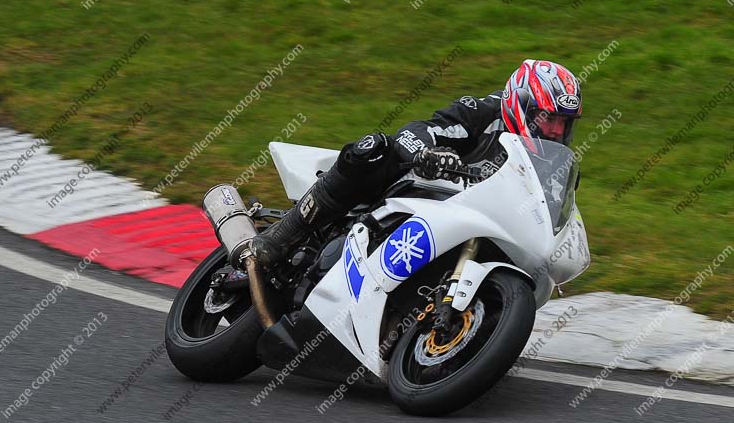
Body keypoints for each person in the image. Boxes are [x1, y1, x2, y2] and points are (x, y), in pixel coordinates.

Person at [250, 59, 583, 268]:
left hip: (468, 225)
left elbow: (549, 212)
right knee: (375, 148)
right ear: (520, 105)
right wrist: (426, 154)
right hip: (413, 193)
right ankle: (281, 235)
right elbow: (416, 131)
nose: (555, 131)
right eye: (548, 118)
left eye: (564, 124)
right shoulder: (481, 113)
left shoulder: (553, 166)